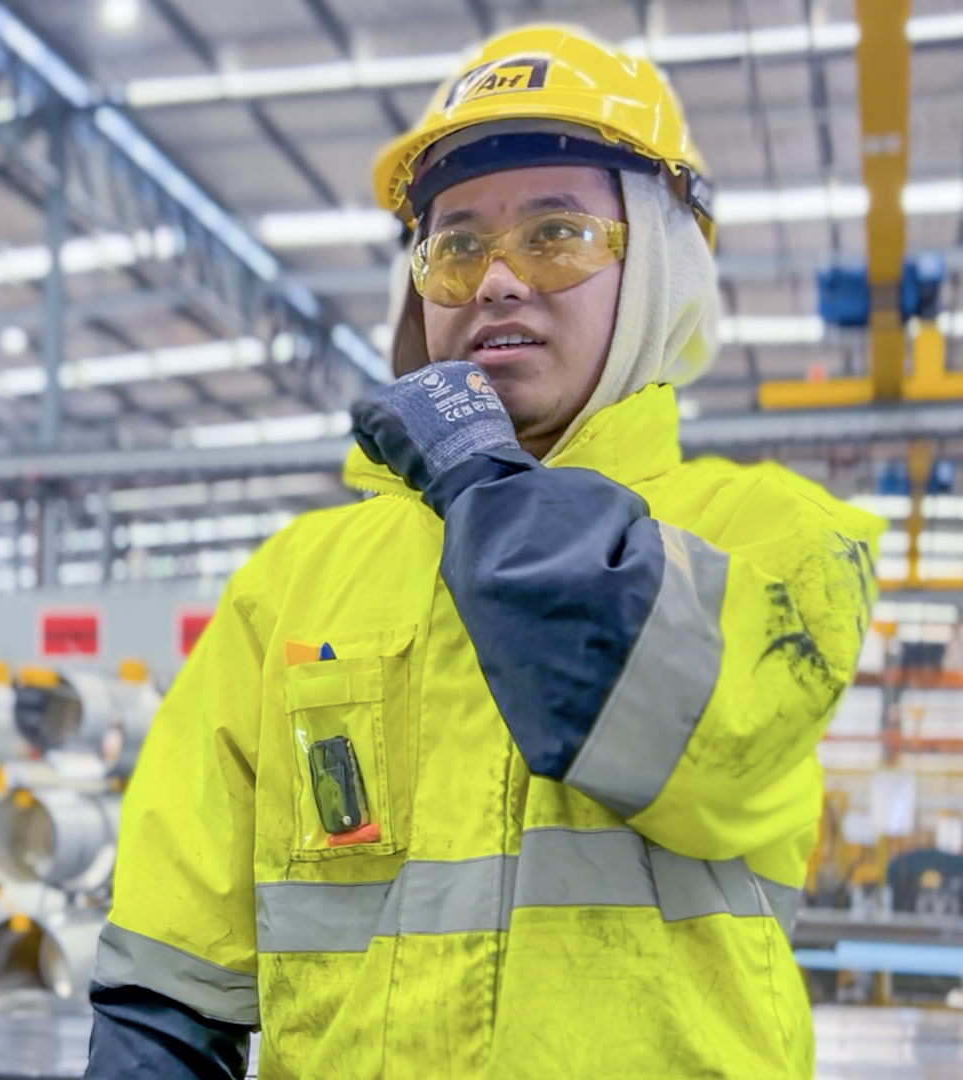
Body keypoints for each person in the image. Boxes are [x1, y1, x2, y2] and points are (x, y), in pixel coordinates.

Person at [86, 25, 881, 1079]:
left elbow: (661, 710)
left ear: (654, 267)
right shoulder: (289, 590)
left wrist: (475, 479)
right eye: (457, 246)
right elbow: (169, 983)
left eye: (556, 234)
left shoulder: (776, 539)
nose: (498, 281)